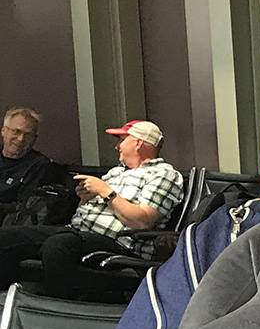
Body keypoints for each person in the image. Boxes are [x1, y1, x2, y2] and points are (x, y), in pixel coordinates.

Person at [0, 119, 185, 299]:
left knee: (59, 246)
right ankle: (9, 300)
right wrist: (85, 199)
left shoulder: (164, 175)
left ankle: (62, 308)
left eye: (122, 140)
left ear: (138, 143)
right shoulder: (117, 172)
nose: (117, 146)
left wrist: (105, 191)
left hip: (121, 243)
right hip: (78, 232)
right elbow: (88, 212)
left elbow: (142, 221)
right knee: (8, 236)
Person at [0, 107, 60, 204]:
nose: (20, 139)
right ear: (3, 131)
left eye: (28, 135)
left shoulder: (39, 165)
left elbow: (23, 207)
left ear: (34, 139)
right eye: (16, 132)